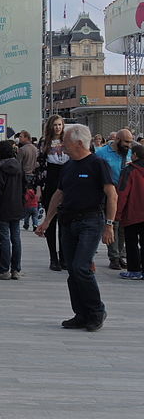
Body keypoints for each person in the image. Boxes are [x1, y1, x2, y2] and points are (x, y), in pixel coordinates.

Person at [35, 124, 116, 332]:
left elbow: (112, 195)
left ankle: (97, 311)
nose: (63, 147)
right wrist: (47, 220)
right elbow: (58, 195)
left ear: (79, 143)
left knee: (82, 266)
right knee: (72, 269)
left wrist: (109, 225)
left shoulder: (98, 164)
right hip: (67, 221)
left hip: (90, 220)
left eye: (66, 143)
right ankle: (81, 314)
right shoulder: (68, 166)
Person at [94, 129, 133, 270]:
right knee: (113, 224)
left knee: (123, 225)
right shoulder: (102, 154)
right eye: (126, 142)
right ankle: (114, 257)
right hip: (109, 192)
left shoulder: (128, 153)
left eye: (130, 142)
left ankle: (121, 255)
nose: (129, 145)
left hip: (125, 193)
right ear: (117, 140)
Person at [0, 140, 26, 280]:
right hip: (17, 207)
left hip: (3, 208)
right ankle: (16, 269)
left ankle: (4, 269)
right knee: (16, 238)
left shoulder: (0, 170)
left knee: (4, 239)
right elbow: (24, 188)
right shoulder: (19, 167)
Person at [36, 114, 69, 272]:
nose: (57, 127)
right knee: (51, 220)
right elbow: (40, 166)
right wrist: (38, 188)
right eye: (55, 125)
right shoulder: (44, 142)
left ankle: (64, 256)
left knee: (65, 221)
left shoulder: (68, 139)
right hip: (51, 180)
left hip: (67, 178)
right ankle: (53, 257)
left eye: (60, 125)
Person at [116, 144, 144, 280]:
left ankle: (134, 270)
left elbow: (122, 193)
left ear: (135, 155)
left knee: (131, 242)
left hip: (132, 213)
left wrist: (117, 213)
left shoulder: (129, 170)